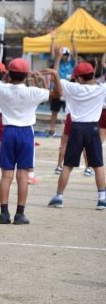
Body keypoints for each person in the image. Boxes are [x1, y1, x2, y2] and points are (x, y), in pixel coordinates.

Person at [0, 59, 61, 224]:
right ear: (26, 74)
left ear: (9, 73)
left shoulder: (2, 90)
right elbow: (57, 94)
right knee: (23, 176)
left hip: (7, 132)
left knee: (6, 175)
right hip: (25, 133)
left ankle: (3, 213)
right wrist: (55, 75)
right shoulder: (33, 92)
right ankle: (20, 214)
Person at [48, 60, 106, 210]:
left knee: (68, 165)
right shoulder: (102, 89)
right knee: (98, 165)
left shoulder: (72, 87)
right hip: (93, 128)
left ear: (79, 78)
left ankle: (59, 197)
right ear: (93, 73)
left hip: (76, 128)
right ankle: (102, 198)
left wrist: (57, 59)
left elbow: (56, 79)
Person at [48, 32, 77, 136]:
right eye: (64, 54)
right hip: (57, 88)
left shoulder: (71, 63)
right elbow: (52, 53)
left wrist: (72, 42)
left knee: (69, 111)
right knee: (54, 111)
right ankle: (52, 129)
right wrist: (52, 41)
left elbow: (75, 54)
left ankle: (68, 129)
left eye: (67, 54)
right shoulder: (57, 62)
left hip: (67, 90)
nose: (65, 56)